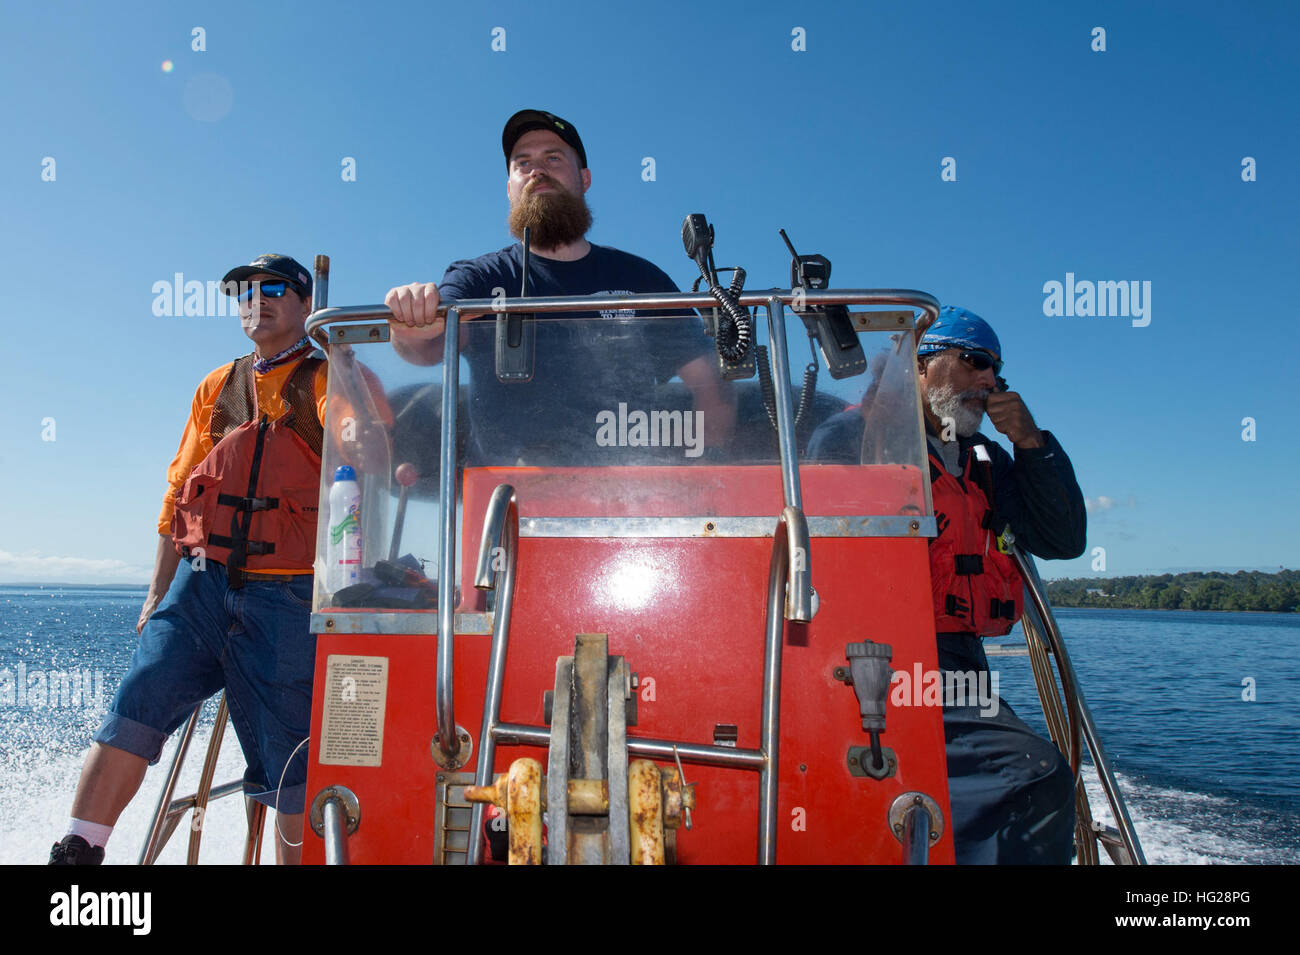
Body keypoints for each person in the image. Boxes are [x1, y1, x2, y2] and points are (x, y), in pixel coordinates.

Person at [50, 254, 327, 865]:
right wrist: (156, 594)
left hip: (290, 597)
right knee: (135, 706)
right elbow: (178, 495)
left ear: (306, 304)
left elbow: (373, 468)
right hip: (198, 589)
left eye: (274, 289)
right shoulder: (215, 387)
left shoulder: (331, 382)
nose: (257, 300)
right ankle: (76, 855)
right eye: (244, 293)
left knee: (291, 760)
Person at [811, 304, 1086, 864]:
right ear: (920, 364)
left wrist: (1032, 444)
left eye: (995, 373)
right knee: (1034, 778)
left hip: (960, 661)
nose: (988, 381)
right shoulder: (849, 440)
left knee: (1027, 778)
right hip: (878, 659)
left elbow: (1063, 539)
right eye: (975, 362)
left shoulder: (986, 461)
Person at [384, 108, 734, 462]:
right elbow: (428, 344)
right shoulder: (479, 277)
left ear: (585, 179)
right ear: (509, 188)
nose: (537, 170)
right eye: (523, 163)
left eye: (553, 158)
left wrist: (702, 478)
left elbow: (709, 385)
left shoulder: (643, 279)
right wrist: (410, 315)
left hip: (631, 496)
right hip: (508, 505)